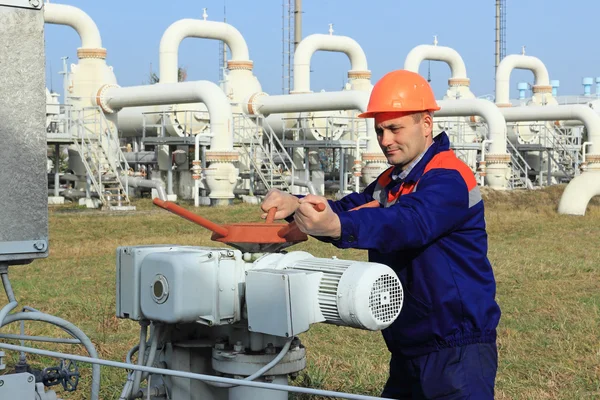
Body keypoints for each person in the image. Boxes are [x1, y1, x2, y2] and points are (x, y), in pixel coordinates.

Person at [261, 69, 500, 399]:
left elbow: (407, 223)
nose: (385, 140)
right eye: (379, 130)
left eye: (394, 128)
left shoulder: (448, 176)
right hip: (410, 345)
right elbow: (349, 209)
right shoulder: (393, 180)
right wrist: (298, 204)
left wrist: (336, 227)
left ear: (426, 124)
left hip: (456, 348)